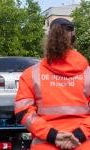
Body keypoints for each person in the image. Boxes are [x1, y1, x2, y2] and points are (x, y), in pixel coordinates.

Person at [14, 18, 90, 150]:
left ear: (48, 38)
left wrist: (52, 135)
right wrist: (79, 135)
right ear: (73, 38)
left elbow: (23, 112)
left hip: (45, 145)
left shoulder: (31, 74)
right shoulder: (88, 74)